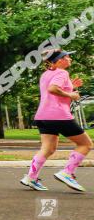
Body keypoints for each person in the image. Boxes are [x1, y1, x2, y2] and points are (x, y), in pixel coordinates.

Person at [21, 50, 91, 192]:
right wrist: (71, 94)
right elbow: (53, 89)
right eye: (67, 57)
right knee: (85, 144)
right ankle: (67, 173)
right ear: (59, 61)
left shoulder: (46, 74)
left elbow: (52, 89)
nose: (70, 59)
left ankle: (31, 177)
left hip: (43, 116)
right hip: (58, 115)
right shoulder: (62, 73)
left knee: (48, 149)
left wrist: (71, 86)